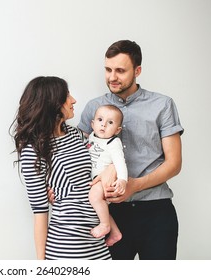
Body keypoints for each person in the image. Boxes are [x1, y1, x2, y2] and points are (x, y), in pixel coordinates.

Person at [78, 40, 184, 260]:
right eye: (108, 70)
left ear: (137, 71)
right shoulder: (93, 108)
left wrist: (134, 185)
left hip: (155, 211)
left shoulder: (162, 105)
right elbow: (76, 156)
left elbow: (174, 164)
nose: (112, 77)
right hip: (108, 214)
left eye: (120, 70)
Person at [11, 76, 111, 260]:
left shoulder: (76, 135)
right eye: (67, 96)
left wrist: (110, 171)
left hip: (97, 242)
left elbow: (102, 161)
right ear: (52, 103)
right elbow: (40, 212)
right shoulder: (33, 151)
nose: (73, 100)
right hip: (67, 246)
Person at [87, 104, 127, 247]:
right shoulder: (91, 136)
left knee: (94, 197)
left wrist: (122, 180)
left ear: (117, 130)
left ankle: (105, 225)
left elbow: (120, 163)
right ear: (92, 124)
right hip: (94, 180)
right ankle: (116, 233)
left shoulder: (113, 143)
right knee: (99, 204)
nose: (103, 124)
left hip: (105, 181)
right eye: (100, 120)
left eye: (110, 122)